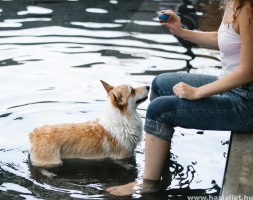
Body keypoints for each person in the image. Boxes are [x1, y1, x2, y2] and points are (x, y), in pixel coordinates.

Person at [106, 0, 253, 196]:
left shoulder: (249, 8)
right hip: (234, 87)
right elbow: (223, 38)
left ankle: (149, 184)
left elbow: (247, 72)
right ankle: (159, 161)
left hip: (246, 101)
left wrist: (198, 92)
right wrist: (181, 31)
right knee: (160, 83)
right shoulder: (234, 3)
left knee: (159, 110)